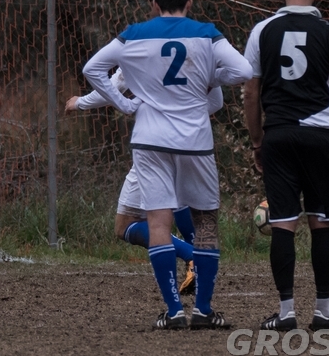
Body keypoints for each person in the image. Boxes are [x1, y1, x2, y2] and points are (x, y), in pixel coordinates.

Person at [82, 0, 252, 330]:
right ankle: (203, 311)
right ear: (190, 2)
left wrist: (125, 104)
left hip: (150, 139)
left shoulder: (133, 34)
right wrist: (210, 77)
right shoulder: (206, 33)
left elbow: (92, 68)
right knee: (205, 223)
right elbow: (243, 70)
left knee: (158, 222)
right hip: (195, 142)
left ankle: (173, 311)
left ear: (154, 3)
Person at [242, 0, 329, 332]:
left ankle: (286, 313)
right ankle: (323, 313)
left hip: (278, 135)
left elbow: (250, 92)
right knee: (322, 223)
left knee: (282, 223)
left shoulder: (262, 31)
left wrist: (257, 140)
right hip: (320, 136)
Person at [65, 67, 226, 296]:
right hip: (192, 139)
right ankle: (200, 262)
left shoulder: (142, 49)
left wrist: (80, 102)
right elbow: (217, 102)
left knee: (125, 224)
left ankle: (193, 257)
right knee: (178, 198)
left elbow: (113, 86)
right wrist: (186, 116)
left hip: (155, 141)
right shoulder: (200, 49)